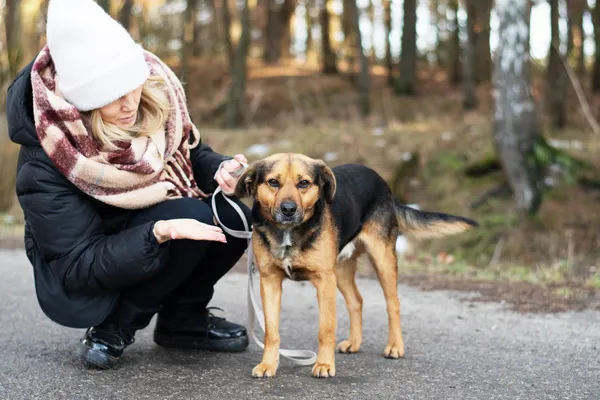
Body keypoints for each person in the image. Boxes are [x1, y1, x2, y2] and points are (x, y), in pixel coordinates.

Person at [6, 0, 253, 369]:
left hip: (147, 218)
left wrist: (218, 169)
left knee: (231, 218)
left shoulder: (156, 93)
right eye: (110, 97)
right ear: (81, 103)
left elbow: (190, 152)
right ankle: (114, 325)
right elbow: (76, 265)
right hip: (91, 255)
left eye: (131, 87)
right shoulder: (47, 158)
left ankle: (183, 321)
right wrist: (157, 233)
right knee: (187, 217)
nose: (129, 105)